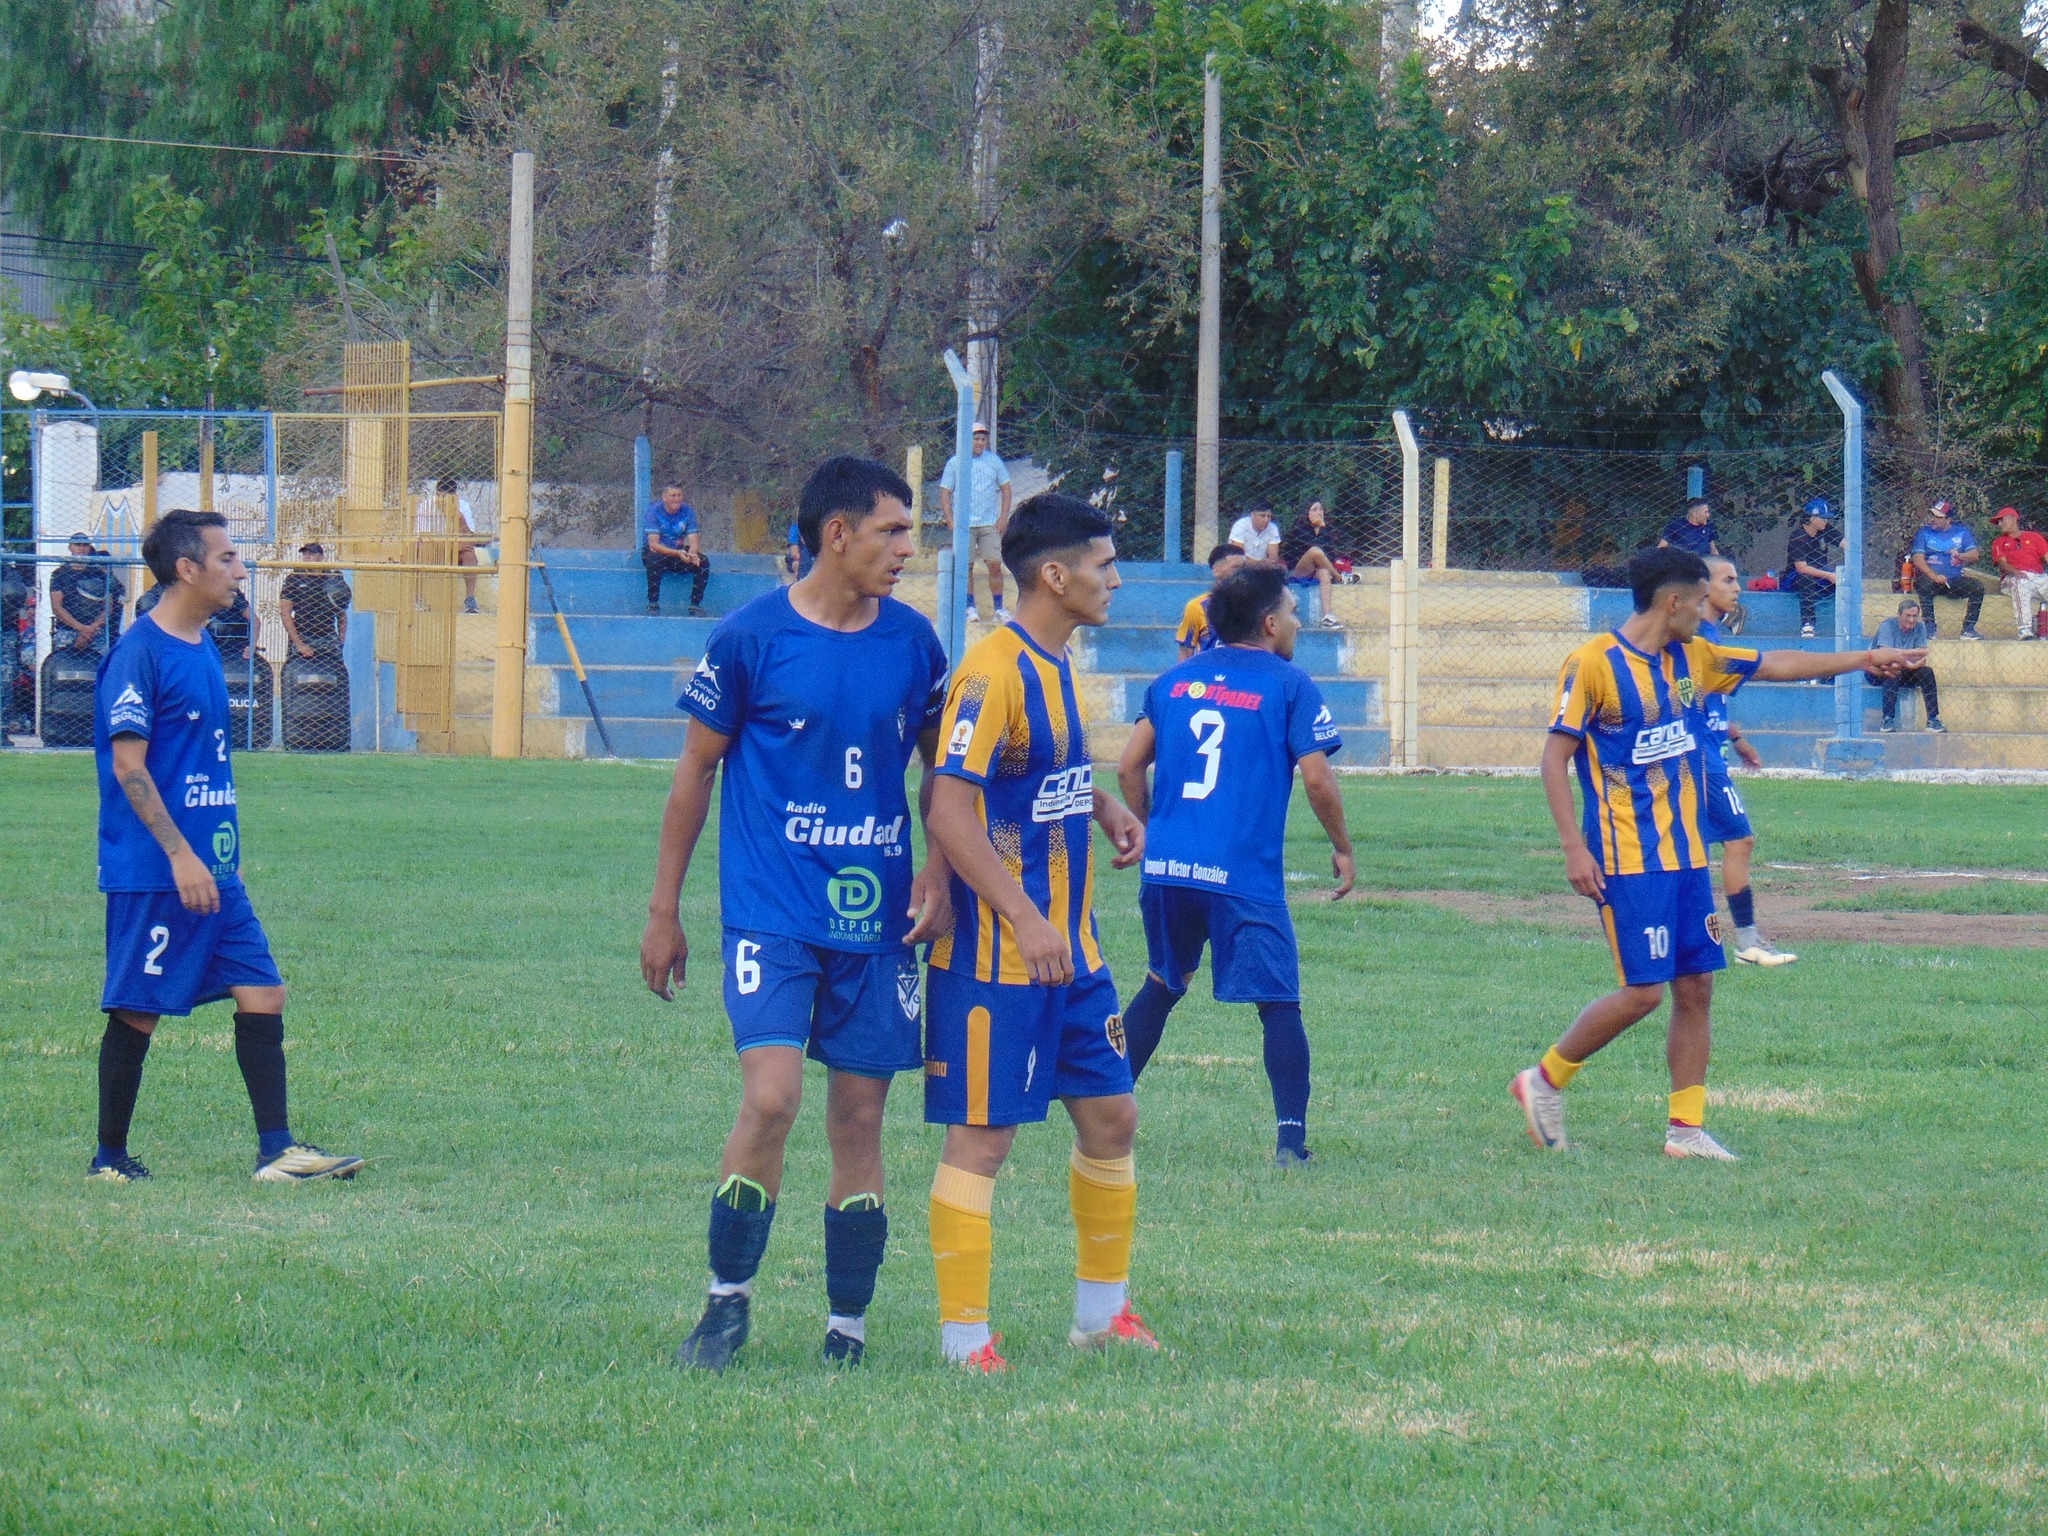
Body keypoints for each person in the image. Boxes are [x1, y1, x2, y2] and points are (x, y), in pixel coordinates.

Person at [642, 457, 952, 1372]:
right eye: (894, 532)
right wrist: (665, 910)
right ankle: (725, 1307)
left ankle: (846, 1330)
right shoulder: (749, 639)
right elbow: (696, 772)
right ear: (838, 535)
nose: (908, 550)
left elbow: (944, 769)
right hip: (772, 912)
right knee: (771, 1099)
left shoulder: (914, 643)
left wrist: (937, 867)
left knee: (859, 1120)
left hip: (881, 919)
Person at [1513, 547, 1922, 1163]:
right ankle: (1543, 1080)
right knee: (1644, 993)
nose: (1710, 609)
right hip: (1627, 857)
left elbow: (1776, 663)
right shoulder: (1593, 663)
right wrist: (1573, 847)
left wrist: (1866, 656)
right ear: (1673, 602)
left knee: (1697, 986)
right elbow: (1554, 756)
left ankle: (1686, 1131)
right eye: (1702, 599)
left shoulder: (1693, 656)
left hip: (1685, 856)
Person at [922, 493, 1150, 1373]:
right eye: (1103, 564)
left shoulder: (1057, 666)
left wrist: (1099, 804)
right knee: (984, 1140)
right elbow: (949, 808)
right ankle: (963, 1342)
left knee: (1112, 1117)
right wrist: (1021, 914)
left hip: (1075, 953)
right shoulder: (991, 672)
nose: (1115, 578)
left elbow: (1034, 777)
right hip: (999, 958)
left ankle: (1102, 1317)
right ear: (1055, 576)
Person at [86, 509, 362, 1185]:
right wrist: (181, 856)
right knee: (137, 1011)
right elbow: (130, 768)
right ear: (187, 569)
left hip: (216, 869)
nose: (241, 570)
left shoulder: (204, 642)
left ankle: (278, 1151)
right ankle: (109, 1160)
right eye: (228, 558)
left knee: (264, 991)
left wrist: (211, 856)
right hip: (160, 871)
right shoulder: (139, 654)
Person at [1116, 566, 1353, 1167]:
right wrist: (1343, 847)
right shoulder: (1289, 683)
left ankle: (1103, 1113)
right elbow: (1319, 777)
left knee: (1163, 983)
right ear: (1270, 624)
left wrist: (1149, 831)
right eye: (1293, 613)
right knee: (1279, 1002)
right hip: (1240, 875)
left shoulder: (1173, 680)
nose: (1299, 621)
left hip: (1167, 869)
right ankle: (1291, 1143)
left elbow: (1126, 768)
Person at [1699, 558, 1795, 966]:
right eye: (1728, 580)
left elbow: (1704, 699)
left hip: (1711, 752)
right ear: (1702, 589)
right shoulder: (1699, 638)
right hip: (1700, 760)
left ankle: (1718, 939)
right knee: (1739, 839)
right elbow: (1770, 666)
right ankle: (1747, 941)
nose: (1738, 588)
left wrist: (1735, 736)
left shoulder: (1707, 634)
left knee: (1698, 849)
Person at [938, 422, 1013, 624]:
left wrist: (1003, 516)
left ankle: (999, 608)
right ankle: (970, 607)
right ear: (967, 440)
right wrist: (950, 520)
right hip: (964, 525)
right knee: (966, 566)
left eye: (982, 439)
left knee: (994, 564)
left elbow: (1006, 489)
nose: (980, 443)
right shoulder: (955, 463)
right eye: (976, 439)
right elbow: (945, 492)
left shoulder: (994, 461)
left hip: (989, 523)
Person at [1911, 499, 1985, 640]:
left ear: (1948, 519)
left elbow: (1974, 555)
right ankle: (1930, 629)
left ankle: (1968, 629)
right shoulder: (1924, 532)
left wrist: (1960, 555)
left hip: (1954, 581)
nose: (1933, 520)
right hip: (1932, 580)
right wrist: (1934, 576)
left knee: (1977, 587)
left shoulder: (1961, 532)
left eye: (1938, 517)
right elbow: (1917, 558)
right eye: (1933, 516)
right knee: (1923, 584)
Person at [1872, 599, 1942, 732]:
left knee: (1927, 672)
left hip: (1907, 669)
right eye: (1908, 616)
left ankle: (1933, 719)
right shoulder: (1887, 625)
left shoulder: (1920, 627)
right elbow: (1885, 654)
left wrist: (1898, 654)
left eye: (1915, 616)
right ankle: (1887, 720)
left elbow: (1922, 653)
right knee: (1892, 669)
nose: (1912, 620)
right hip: (1879, 671)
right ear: (1899, 615)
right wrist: (1909, 659)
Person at [643, 481, 711, 617]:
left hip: (678, 553)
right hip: (657, 552)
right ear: (664, 498)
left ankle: (695, 605)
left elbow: (694, 539)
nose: (677, 499)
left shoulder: (688, 511)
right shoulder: (654, 511)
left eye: (679, 495)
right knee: (654, 560)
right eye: (673, 496)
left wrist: (692, 554)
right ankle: (653, 604)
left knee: (703, 562)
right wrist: (678, 553)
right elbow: (654, 545)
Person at [418, 476, 484, 613]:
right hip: (433, 546)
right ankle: (420, 598)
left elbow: (470, 536)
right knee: (421, 549)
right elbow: (421, 535)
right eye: (439, 497)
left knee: (469, 554)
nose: (441, 501)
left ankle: (470, 599)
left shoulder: (463, 506)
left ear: (454, 497)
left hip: (456, 548)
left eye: (445, 498)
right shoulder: (426, 506)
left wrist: (459, 520)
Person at [50, 533, 125, 654]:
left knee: (100, 668)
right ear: (70, 547)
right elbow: (57, 608)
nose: (81, 548)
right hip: (67, 631)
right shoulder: (60, 574)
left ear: (89, 547)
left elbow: (108, 607)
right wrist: (81, 629)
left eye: (85, 545)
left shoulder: (100, 574)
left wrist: (91, 630)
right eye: (77, 545)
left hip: (96, 632)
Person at [278, 544, 351, 658]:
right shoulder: (295, 578)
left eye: (311, 554)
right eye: (304, 554)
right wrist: (299, 644)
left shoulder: (332, 578)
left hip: (328, 636)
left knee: (332, 671)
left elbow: (342, 613)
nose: (306, 557)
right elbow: (285, 613)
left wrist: (341, 640)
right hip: (303, 635)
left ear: (321, 557)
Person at [1278, 500, 1343, 627]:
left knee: (1324, 573)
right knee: (1315, 551)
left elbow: (1330, 555)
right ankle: (1339, 578)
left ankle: (1328, 616)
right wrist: (1322, 528)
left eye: (1321, 509)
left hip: (1316, 570)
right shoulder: (1300, 530)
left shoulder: (1325, 529)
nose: (1319, 512)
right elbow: (1315, 550)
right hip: (1297, 571)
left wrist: (1323, 527)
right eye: (1314, 509)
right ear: (1306, 513)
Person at [1783, 498, 1839, 639]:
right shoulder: (1798, 536)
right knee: (1806, 578)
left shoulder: (1825, 530)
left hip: (1821, 576)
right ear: (1812, 518)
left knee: (1844, 580)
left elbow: (1845, 543)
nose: (1826, 521)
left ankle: (1849, 623)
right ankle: (1808, 624)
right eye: (1823, 518)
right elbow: (1801, 568)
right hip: (1795, 578)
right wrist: (1829, 576)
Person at [1175, 543, 1244, 660]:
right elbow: (1186, 652)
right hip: (1209, 675)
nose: (1241, 573)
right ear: (1216, 571)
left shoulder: (1255, 604)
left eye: (1244, 568)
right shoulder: (1197, 606)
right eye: (1235, 568)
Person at [1990, 506, 2048, 641]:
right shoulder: (1998, 542)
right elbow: (2002, 564)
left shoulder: (2034, 537)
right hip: (2012, 578)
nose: (1999, 524)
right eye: (1998, 522)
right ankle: (2025, 630)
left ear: (2013, 519)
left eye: (2001, 520)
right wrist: (2016, 572)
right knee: (2019, 583)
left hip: (2037, 577)